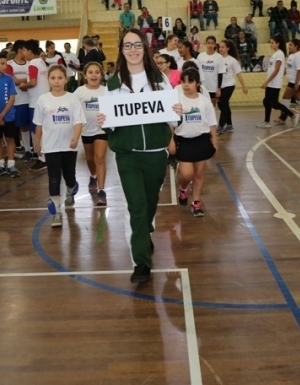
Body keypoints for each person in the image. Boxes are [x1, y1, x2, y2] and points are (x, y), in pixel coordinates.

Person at [97, 28, 182, 284]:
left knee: (150, 204)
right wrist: (104, 121)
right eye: (127, 46)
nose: (132, 50)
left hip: (156, 154)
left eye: (137, 45)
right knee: (136, 207)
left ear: (144, 48)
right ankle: (141, 262)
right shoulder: (112, 84)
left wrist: (176, 113)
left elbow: (173, 120)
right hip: (127, 155)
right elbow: (109, 123)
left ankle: (144, 234)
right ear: (121, 50)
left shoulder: (160, 81)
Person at [33, 65, 85, 227]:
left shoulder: (72, 98)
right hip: (51, 146)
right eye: (53, 78)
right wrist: (37, 144)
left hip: (69, 145)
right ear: (48, 80)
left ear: (66, 79)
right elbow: (39, 125)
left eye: (60, 78)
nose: (56, 81)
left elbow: (78, 121)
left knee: (69, 177)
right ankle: (56, 212)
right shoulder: (43, 100)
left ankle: (71, 190)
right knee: (54, 178)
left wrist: (76, 138)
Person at [172, 68, 217, 217]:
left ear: (197, 83)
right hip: (184, 141)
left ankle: (196, 202)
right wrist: (170, 140)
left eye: (190, 81)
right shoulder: (176, 99)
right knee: (186, 174)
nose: (186, 84)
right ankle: (183, 189)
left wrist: (214, 142)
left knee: (198, 173)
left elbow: (211, 123)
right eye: (183, 81)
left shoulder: (204, 101)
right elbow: (170, 124)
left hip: (201, 140)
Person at [74, 62, 108, 205]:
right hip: (86, 131)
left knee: (99, 157)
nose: (94, 75)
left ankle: (101, 190)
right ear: (85, 75)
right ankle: (92, 175)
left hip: (102, 130)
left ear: (101, 75)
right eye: (90, 72)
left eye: (97, 72)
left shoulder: (107, 91)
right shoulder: (79, 92)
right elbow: (73, 111)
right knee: (89, 159)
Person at [256, 35, 299, 128]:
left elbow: (276, 70)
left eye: (272, 43)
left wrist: (267, 82)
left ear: (278, 44)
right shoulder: (275, 54)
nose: (270, 44)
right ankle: (266, 122)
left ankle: (292, 115)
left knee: (274, 103)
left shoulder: (280, 54)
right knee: (267, 102)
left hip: (275, 83)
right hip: (271, 83)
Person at [24, 39, 50, 172]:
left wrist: (23, 85)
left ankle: (42, 158)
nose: (23, 53)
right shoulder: (41, 62)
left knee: (37, 131)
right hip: (44, 99)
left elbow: (33, 82)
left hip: (35, 102)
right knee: (43, 131)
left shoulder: (32, 64)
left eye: (24, 50)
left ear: (29, 51)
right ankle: (44, 156)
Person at [5, 40, 31, 161]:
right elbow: (13, 80)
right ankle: (27, 149)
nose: (27, 52)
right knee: (22, 127)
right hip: (18, 100)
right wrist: (29, 80)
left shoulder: (30, 63)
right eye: (26, 50)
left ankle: (34, 150)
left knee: (31, 126)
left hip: (30, 99)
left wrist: (27, 81)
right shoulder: (10, 64)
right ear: (21, 50)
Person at [276, 39, 300, 124]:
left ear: (296, 46)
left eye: (291, 45)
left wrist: (296, 83)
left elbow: (299, 70)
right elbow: (287, 68)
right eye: (289, 45)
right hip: (293, 81)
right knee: (299, 98)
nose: (289, 47)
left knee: (285, 97)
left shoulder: (298, 56)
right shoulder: (291, 55)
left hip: (295, 81)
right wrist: (280, 76)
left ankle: (283, 117)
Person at [218, 39, 248, 133]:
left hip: (229, 84)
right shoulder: (217, 58)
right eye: (220, 47)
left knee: (223, 102)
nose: (220, 49)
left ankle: (221, 125)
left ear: (228, 48)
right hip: (220, 85)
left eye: (223, 47)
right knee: (223, 104)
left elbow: (238, 73)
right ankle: (230, 124)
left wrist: (244, 86)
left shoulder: (232, 60)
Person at [197, 35, 225, 106]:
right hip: (202, 87)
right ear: (206, 44)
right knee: (202, 107)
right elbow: (197, 72)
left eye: (212, 43)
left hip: (213, 88)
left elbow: (220, 73)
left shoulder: (219, 57)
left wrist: (219, 88)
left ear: (215, 44)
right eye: (208, 43)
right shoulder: (200, 56)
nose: (210, 45)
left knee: (212, 108)